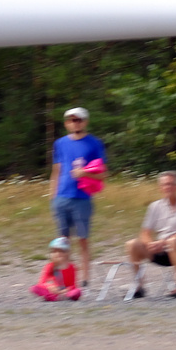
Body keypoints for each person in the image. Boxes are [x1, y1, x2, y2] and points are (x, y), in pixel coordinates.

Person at [49, 107, 106, 285]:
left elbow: (103, 174)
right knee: (62, 241)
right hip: (62, 197)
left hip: (82, 198)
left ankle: (85, 278)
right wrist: (53, 197)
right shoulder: (60, 144)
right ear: (67, 123)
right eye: (72, 120)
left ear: (85, 122)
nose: (75, 123)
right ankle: (63, 277)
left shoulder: (95, 143)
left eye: (79, 120)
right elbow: (56, 171)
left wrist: (85, 174)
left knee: (83, 239)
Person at [127, 171, 176, 298]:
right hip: (161, 250)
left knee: (174, 242)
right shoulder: (155, 207)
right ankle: (139, 286)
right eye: (165, 184)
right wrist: (150, 244)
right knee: (132, 244)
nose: (168, 187)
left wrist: (164, 242)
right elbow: (145, 232)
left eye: (172, 184)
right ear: (160, 187)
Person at [30, 237, 82, 301]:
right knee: (34, 288)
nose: (58, 253)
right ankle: (53, 297)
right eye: (55, 251)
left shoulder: (72, 267)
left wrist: (66, 290)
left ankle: (65, 296)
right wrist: (49, 287)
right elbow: (41, 283)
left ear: (67, 253)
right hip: (53, 290)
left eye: (62, 251)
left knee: (77, 291)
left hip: (66, 291)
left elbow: (73, 285)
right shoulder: (49, 266)